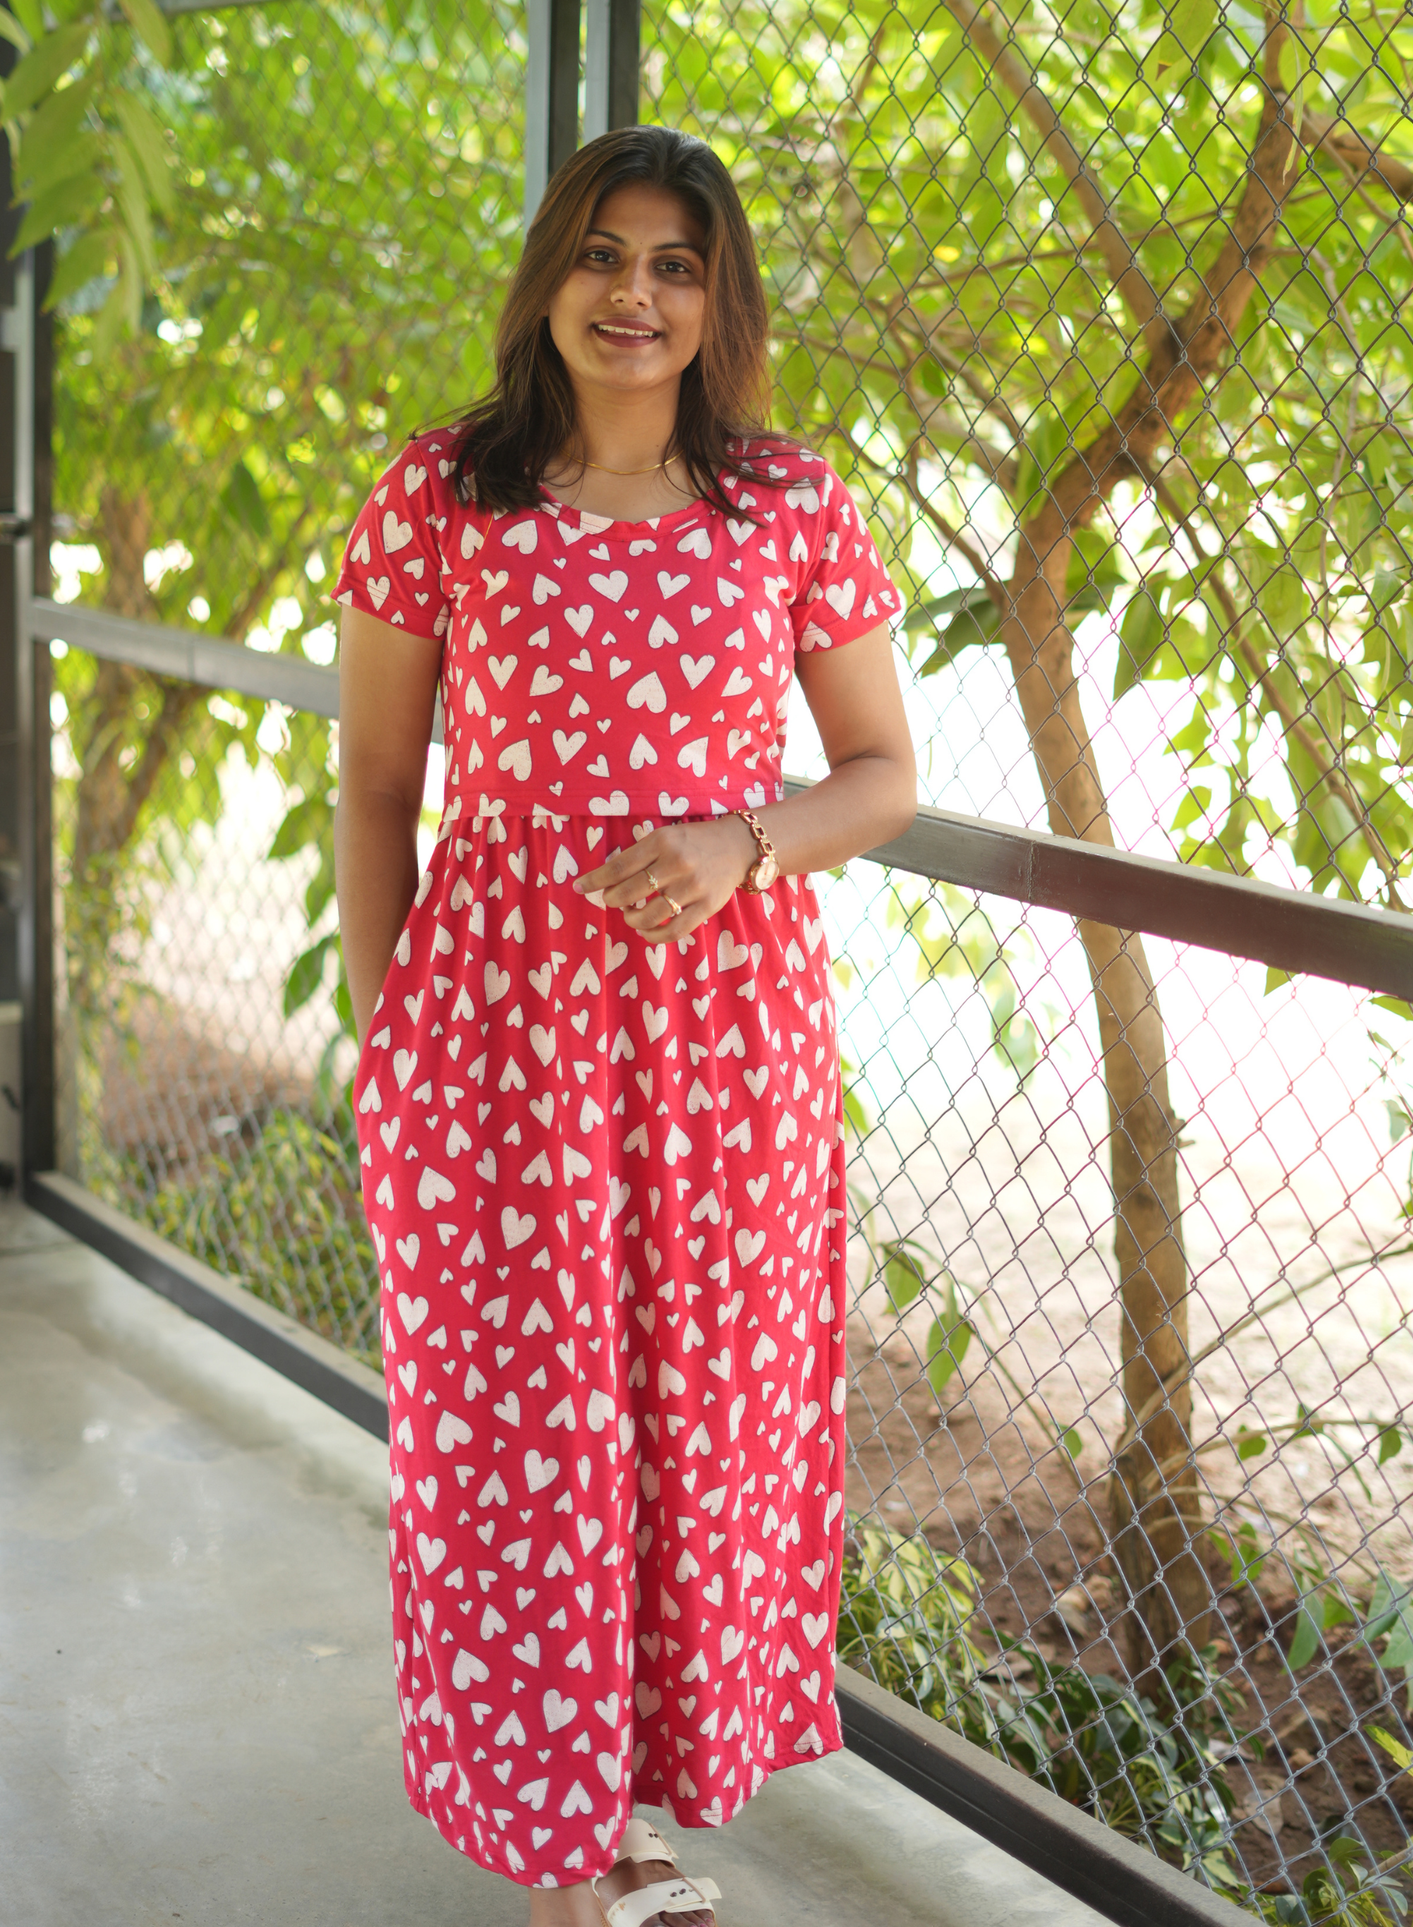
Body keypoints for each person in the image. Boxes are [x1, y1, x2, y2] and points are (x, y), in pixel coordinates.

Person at [334, 124, 916, 1927]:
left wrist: (746, 840)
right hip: (496, 1049)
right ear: (550, 280)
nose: (634, 291)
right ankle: (560, 1852)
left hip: (724, 1052)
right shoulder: (443, 494)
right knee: (519, 1446)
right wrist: (392, 1049)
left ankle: (637, 1817)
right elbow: (371, 788)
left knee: (698, 1436)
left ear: (716, 295)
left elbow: (886, 773)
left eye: (673, 262)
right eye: (601, 253)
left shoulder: (793, 507)